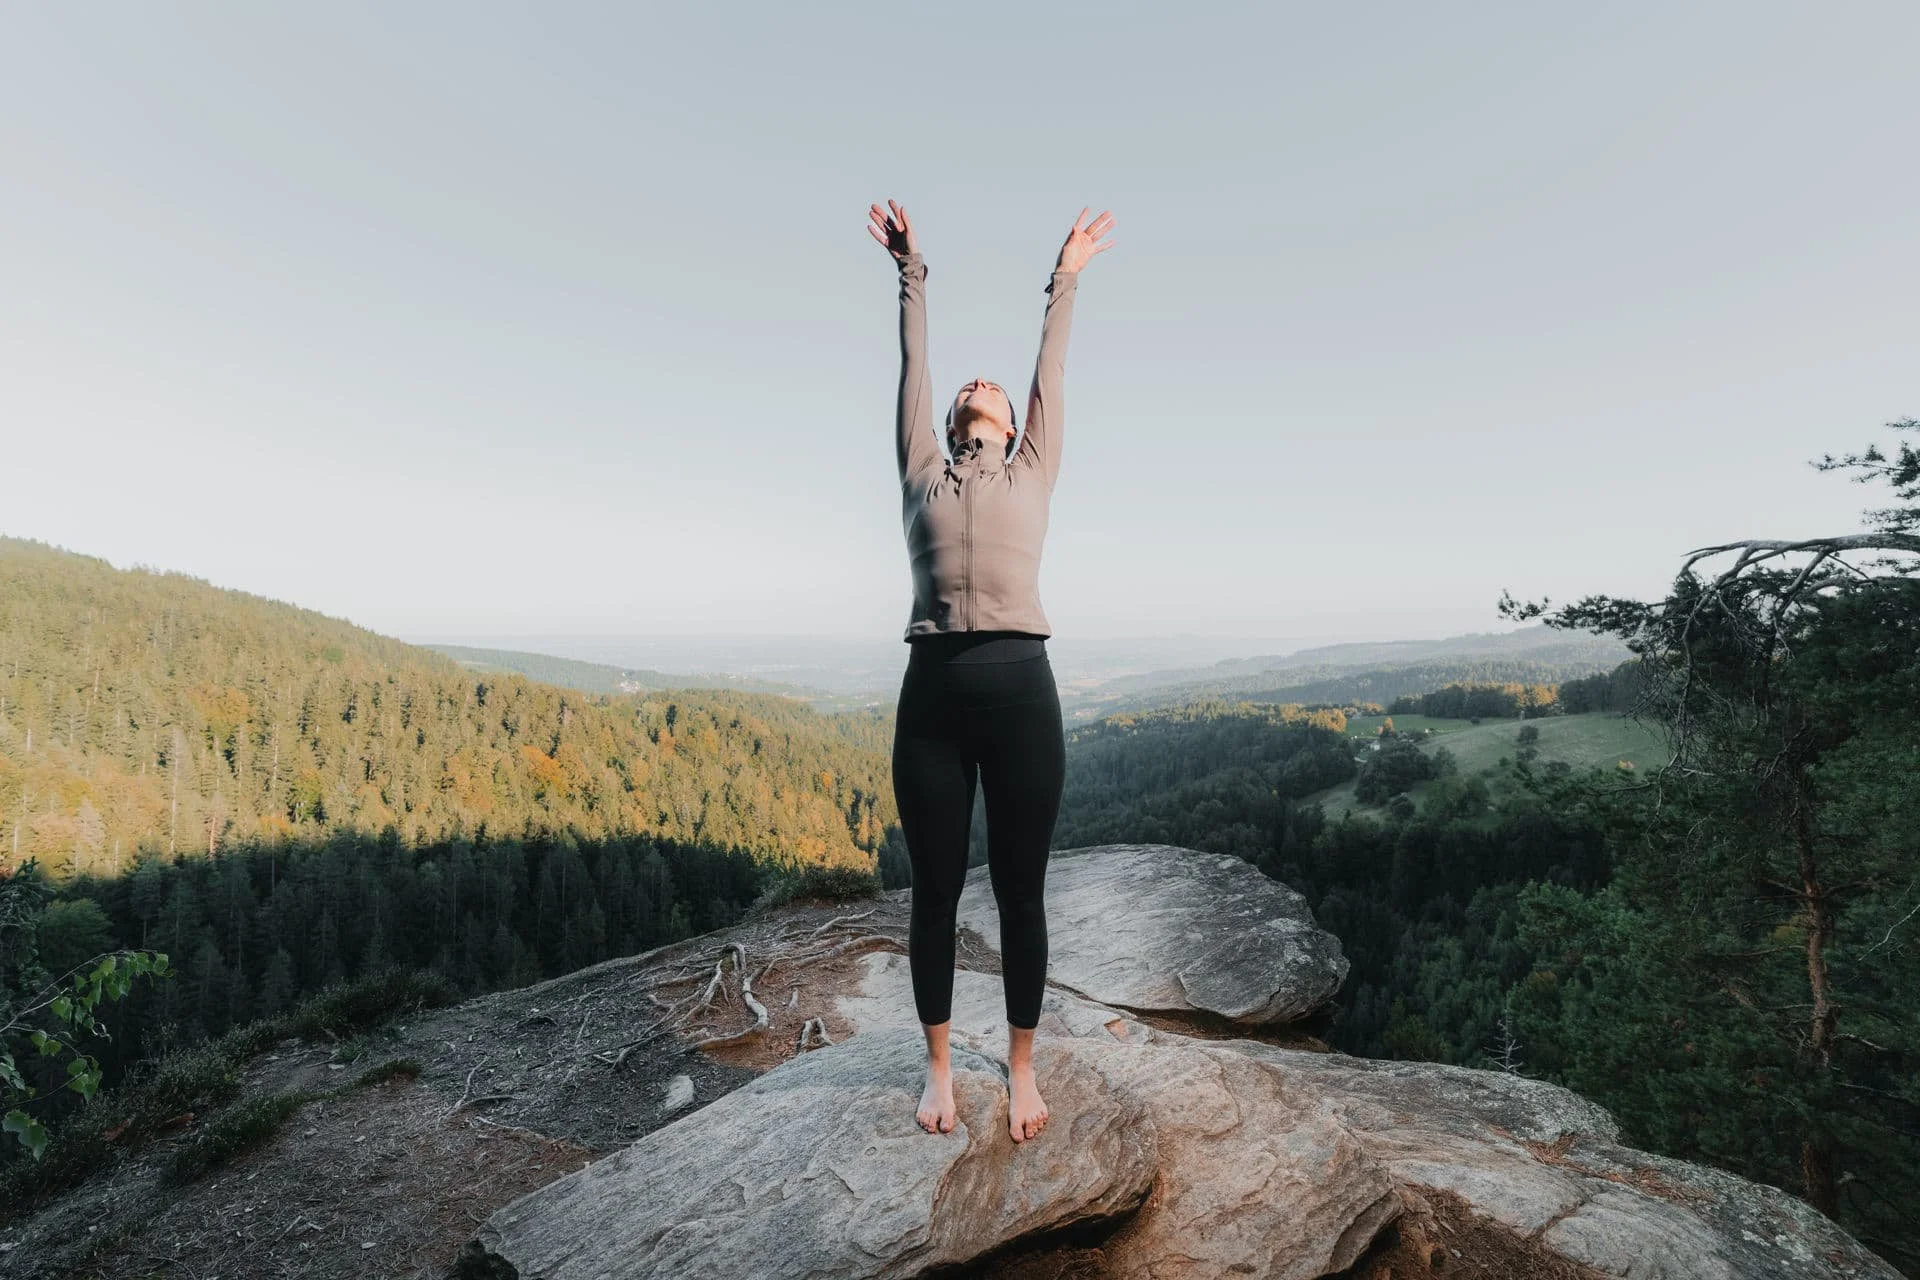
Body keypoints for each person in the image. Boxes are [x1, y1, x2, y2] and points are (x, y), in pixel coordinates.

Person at [866, 199, 1115, 1143]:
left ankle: (1018, 1067)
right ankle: (938, 1069)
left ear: (1012, 424)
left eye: (996, 387)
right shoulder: (920, 470)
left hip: (1021, 695)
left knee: (1019, 892)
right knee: (933, 891)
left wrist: (1068, 277)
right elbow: (912, 365)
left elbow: (1051, 367)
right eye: (971, 384)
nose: (981, 382)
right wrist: (910, 269)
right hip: (931, 700)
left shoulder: (1032, 468)